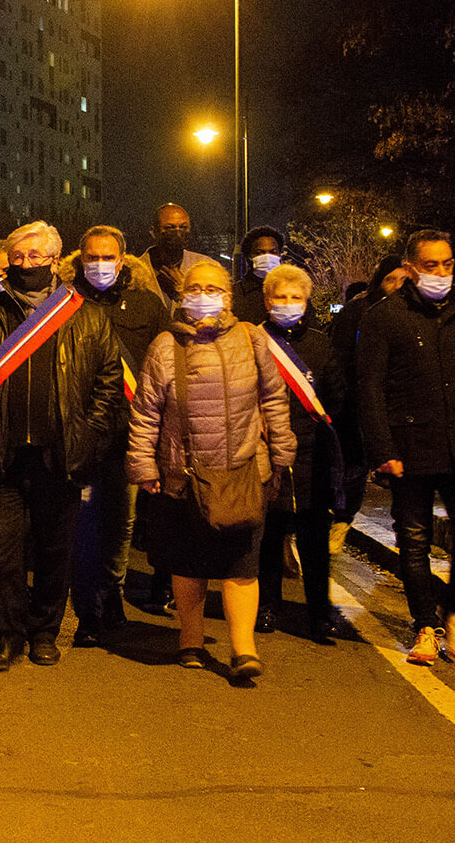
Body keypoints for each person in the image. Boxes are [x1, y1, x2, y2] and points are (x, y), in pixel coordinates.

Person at [0, 221, 128, 671]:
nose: (26, 266)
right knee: (1, 553)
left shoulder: (87, 315)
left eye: (36, 257)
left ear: (55, 262)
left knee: (54, 549)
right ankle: (6, 636)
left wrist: (89, 435)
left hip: (59, 454)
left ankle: (44, 631)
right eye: (18, 258)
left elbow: (108, 384)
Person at [126, 258, 295, 682]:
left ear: (229, 296)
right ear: (183, 296)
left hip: (242, 471)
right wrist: (145, 464)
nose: (204, 296)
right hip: (182, 475)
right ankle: (191, 639)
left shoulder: (252, 339)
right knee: (188, 565)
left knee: (242, 566)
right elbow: (146, 412)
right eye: (195, 288)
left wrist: (281, 453)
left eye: (213, 288)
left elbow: (274, 399)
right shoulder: (166, 346)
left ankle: (244, 647)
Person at [357, 229, 455, 665]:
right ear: (410, 269)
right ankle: (425, 626)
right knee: (413, 541)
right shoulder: (384, 317)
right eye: (431, 265)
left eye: (447, 264)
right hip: (410, 451)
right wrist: (382, 449)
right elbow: (369, 388)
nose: (441, 273)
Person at [63, 225, 170, 644]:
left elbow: (165, 362)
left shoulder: (146, 304)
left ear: (122, 260)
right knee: (83, 522)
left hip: (129, 433)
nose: (101, 264)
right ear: (80, 259)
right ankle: (86, 608)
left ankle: (113, 594)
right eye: (93, 256)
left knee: (120, 522)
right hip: (81, 431)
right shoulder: (65, 303)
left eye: (109, 257)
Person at [255, 263, 346, 643]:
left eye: (296, 298)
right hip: (267, 452)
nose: (288, 304)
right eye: (281, 297)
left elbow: (337, 399)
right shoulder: (254, 340)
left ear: (307, 302)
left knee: (314, 539)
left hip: (313, 454)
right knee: (269, 536)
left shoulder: (323, 345)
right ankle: (267, 606)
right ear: (266, 300)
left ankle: (319, 613)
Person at [327, 255, 405, 553]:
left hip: (399, 408)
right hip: (355, 406)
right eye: (390, 280)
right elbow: (339, 359)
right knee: (354, 469)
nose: (398, 286)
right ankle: (342, 519)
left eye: (404, 280)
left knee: (402, 475)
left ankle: (405, 536)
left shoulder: (416, 315)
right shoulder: (358, 311)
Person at [135, 203, 212, 311]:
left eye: (183, 227)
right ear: (153, 231)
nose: (177, 233)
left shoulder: (207, 267)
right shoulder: (135, 271)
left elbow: (218, 313)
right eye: (169, 227)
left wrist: (185, 291)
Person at [231, 226, 286, 327]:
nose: (267, 257)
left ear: (280, 255)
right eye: (259, 253)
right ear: (249, 257)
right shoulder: (234, 294)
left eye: (273, 252)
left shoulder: (293, 291)